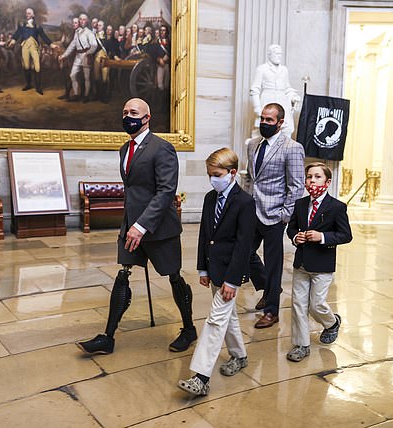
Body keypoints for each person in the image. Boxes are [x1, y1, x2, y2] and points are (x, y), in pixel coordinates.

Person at [77, 98, 196, 355]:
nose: (127, 116)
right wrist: (131, 224)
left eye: (133, 112)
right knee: (123, 274)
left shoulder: (162, 148)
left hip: (159, 229)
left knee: (173, 277)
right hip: (130, 226)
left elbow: (166, 191)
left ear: (146, 118)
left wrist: (142, 225)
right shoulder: (124, 149)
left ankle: (189, 328)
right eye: (124, 112)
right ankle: (107, 337)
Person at [177, 148, 255, 396]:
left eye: (217, 174)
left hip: (230, 274)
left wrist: (232, 281)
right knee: (227, 318)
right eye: (209, 174)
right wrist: (202, 267)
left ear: (232, 173)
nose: (212, 179)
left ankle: (201, 378)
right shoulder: (211, 198)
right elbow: (205, 234)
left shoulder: (245, 202)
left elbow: (244, 246)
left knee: (215, 320)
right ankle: (240, 356)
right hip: (213, 269)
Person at [243, 102, 305, 329]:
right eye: (262, 119)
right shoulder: (252, 145)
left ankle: (271, 311)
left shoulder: (292, 148)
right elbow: (250, 177)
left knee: (273, 265)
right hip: (252, 211)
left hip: (275, 215)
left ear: (280, 123)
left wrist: (285, 215)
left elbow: (297, 186)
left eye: (269, 120)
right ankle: (270, 289)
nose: (264, 123)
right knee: (245, 254)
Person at [285, 162, 352, 362]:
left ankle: (331, 322)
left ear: (327, 181)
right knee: (298, 303)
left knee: (316, 304)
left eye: (317, 177)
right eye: (309, 177)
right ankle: (301, 344)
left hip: (322, 265)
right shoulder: (300, 204)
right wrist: (296, 237)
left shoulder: (337, 207)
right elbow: (291, 228)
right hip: (302, 263)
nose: (312, 181)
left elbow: (345, 235)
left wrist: (322, 237)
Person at [249, 44, 301, 137]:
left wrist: (293, 97)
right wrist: (257, 107)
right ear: (269, 55)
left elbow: (287, 88)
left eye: (280, 54)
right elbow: (254, 90)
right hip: (268, 99)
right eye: (276, 54)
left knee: (285, 129)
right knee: (265, 130)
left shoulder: (284, 70)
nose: (279, 56)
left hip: (282, 101)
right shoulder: (262, 69)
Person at [9, 7, 52, 95]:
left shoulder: (37, 26)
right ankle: (28, 84)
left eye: (29, 13)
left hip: (34, 47)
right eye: (26, 13)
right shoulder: (22, 25)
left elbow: (43, 36)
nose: (27, 15)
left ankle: (38, 88)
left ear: (33, 15)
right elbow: (17, 34)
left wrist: (51, 44)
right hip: (24, 46)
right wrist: (13, 41)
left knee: (37, 66)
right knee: (26, 66)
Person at [60, 13, 97, 102]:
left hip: (86, 56)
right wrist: (64, 55)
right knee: (72, 75)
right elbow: (72, 45)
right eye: (80, 19)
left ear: (87, 21)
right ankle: (76, 94)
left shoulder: (89, 33)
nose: (82, 21)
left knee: (86, 78)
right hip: (78, 56)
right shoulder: (77, 32)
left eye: (84, 19)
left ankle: (86, 95)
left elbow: (94, 45)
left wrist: (87, 53)